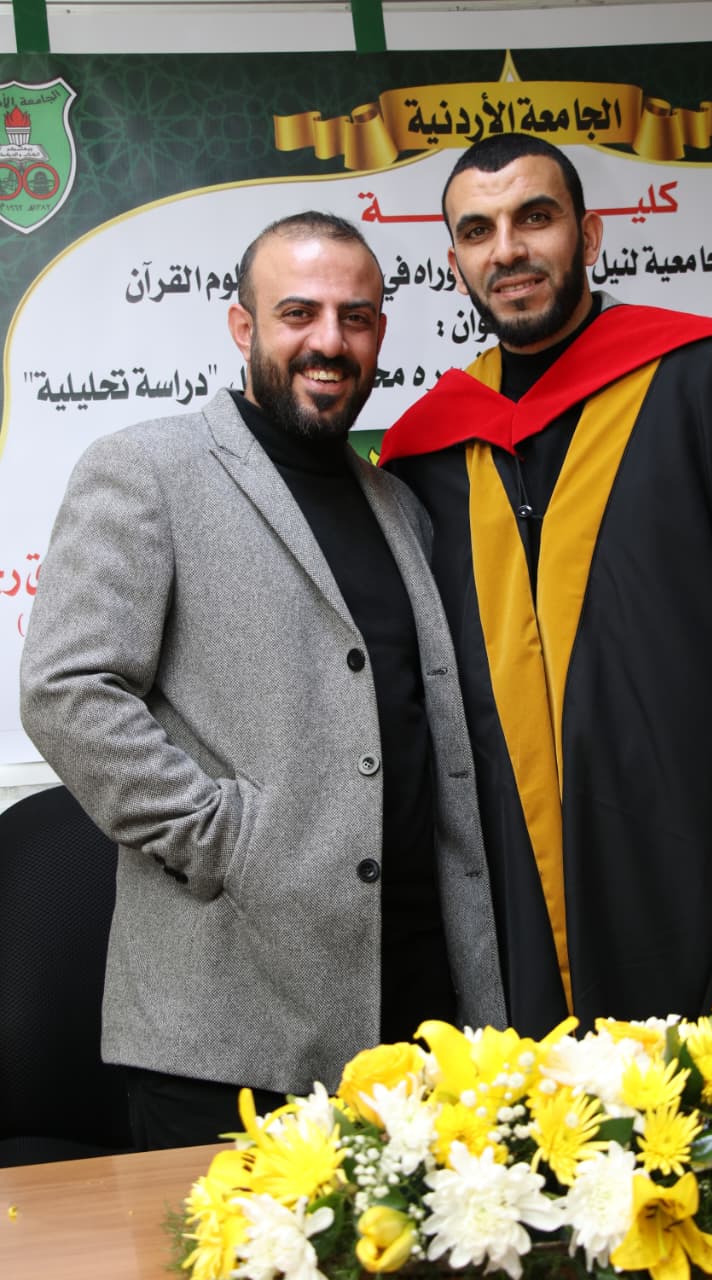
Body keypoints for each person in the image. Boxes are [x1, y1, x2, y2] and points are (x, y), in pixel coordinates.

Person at [19, 211, 506, 1149]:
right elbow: (67, 691)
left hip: (417, 1013)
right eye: (298, 313)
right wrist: (225, 841)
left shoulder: (399, 504)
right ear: (243, 326)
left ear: (379, 332)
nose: (330, 340)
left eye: (355, 317)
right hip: (229, 1028)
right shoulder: (145, 469)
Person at [380, 135, 712, 1036]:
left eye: (534, 217)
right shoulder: (425, 453)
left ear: (588, 235)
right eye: (478, 231)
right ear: (455, 263)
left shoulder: (711, 383)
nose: (507, 249)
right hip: (516, 891)